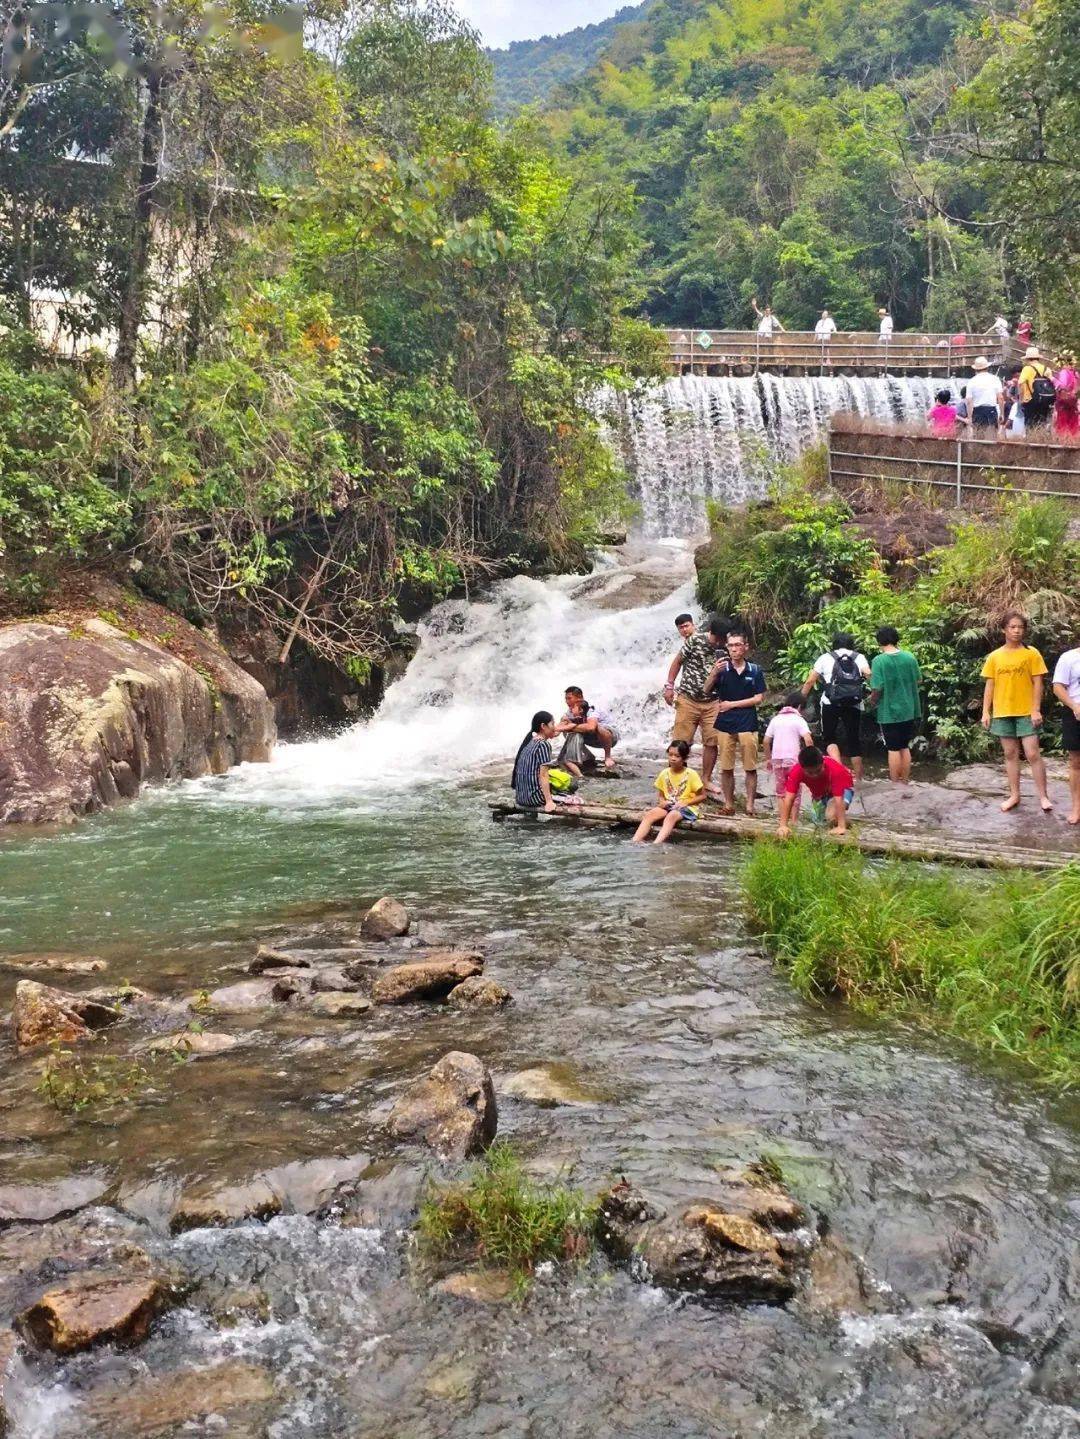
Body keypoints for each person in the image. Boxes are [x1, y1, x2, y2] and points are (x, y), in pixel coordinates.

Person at [980, 611, 1053, 814]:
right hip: (1003, 711)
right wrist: (986, 711)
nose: (1016, 630)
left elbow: (1038, 683)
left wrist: (1036, 709)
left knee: (1032, 753)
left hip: (1026, 712)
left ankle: (1043, 796)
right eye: (1012, 627)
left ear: (1024, 630)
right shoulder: (995, 657)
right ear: (1004, 629)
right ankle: (1014, 795)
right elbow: (990, 686)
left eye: (1020, 627)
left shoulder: (1031, 654)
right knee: (1010, 753)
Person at [664, 613, 730, 795]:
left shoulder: (726, 648)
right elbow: (677, 661)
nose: (720, 642)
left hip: (713, 702)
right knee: (681, 741)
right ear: (711, 632)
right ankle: (676, 779)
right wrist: (669, 686)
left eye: (724, 639)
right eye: (718, 638)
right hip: (688, 698)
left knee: (711, 742)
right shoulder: (695, 641)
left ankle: (706, 779)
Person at [707, 630, 766, 816]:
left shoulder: (754, 670)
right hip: (725, 722)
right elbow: (706, 689)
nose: (734, 649)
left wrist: (732, 704)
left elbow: (759, 698)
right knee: (726, 766)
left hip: (747, 721)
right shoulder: (722, 668)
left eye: (737, 645)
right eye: (730, 645)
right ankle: (728, 804)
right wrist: (713, 674)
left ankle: (749, 806)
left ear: (745, 647)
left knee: (750, 766)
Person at [802, 631, 871, 782]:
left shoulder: (825, 657)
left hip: (830, 703)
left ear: (834, 644)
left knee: (830, 738)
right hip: (854, 703)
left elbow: (810, 681)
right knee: (854, 740)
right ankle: (859, 780)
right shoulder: (858, 657)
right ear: (851, 644)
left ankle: (839, 775)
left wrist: (799, 701)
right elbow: (869, 674)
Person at [868, 627, 921, 784]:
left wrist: (872, 701)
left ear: (879, 641)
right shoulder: (910, 657)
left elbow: (877, 687)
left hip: (888, 711)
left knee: (893, 748)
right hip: (908, 709)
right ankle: (905, 781)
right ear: (896, 639)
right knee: (904, 746)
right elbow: (918, 680)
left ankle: (894, 783)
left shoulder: (879, 661)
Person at [632, 740, 704, 844]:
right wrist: (662, 802)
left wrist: (686, 802)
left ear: (685, 758)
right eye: (670, 755)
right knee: (650, 814)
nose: (673, 758)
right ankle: (635, 841)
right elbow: (661, 795)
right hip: (669, 805)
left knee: (672, 816)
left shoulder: (691, 774)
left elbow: (702, 796)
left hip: (687, 808)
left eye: (677, 756)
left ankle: (656, 843)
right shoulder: (664, 773)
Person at [776, 745, 854, 839]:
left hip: (844, 787)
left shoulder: (835, 770)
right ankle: (845, 821)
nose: (814, 775)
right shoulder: (797, 771)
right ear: (802, 767)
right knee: (818, 822)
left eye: (818, 771)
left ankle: (840, 820)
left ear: (823, 763)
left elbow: (839, 798)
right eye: (810, 773)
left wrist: (841, 826)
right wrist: (783, 825)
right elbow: (789, 798)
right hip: (821, 794)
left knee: (830, 815)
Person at [763, 691, 813, 818]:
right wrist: (810, 759)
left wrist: (768, 759)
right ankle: (794, 821)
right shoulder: (799, 720)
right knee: (795, 791)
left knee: (781, 792)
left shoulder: (776, 719)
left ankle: (783, 820)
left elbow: (766, 741)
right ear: (800, 707)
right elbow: (808, 739)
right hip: (793, 761)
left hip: (777, 760)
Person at [556, 686, 619, 770]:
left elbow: (591, 727)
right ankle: (588, 755)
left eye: (569, 698)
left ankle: (608, 757)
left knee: (596, 726)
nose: (567, 701)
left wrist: (570, 726)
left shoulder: (591, 708)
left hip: (610, 737)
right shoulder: (570, 711)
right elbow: (559, 727)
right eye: (566, 699)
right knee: (567, 730)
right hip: (592, 738)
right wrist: (546, 732)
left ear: (579, 698)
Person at [1051, 641, 1080, 825]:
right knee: (1076, 761)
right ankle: (1077, 807)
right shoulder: (1069, 657)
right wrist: (1074, 706)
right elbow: (1058, 687)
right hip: (1074, 713)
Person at [511, 712, 557, 812]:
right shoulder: (543, 744)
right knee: (570, 785)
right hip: (534, 799)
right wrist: (549, 801)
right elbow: (543, 774)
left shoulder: (530, 742)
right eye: (553, 724)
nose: (554, 727)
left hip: (521, 798)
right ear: (543, 726)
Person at [1018, 346, 1056, 432]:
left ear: (1027, 359)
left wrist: (1020, 400)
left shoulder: (1027, 369)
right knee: (1042, 422)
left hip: (1031, 400)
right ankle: (1042, 440)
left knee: (1030, 424)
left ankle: (1032, 441)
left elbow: (1020, 384)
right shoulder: (1047, 368)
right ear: (1038, 358)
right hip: (1046, 400)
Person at [967, 357, 1003, 434]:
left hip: (977, 411)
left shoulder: (971, 381)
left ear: (976, 369)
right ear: (987, 367)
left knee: (979, 436)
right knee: (992, 435)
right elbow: (1000, 397)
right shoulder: (995, 379)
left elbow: (969, 401)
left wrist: (970, 417)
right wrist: (1002, 413)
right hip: (991, 410)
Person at [1053, 352, 1079, 439]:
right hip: (1073, 402)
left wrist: (1053, 379)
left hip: (1064, 403)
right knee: (1073, 426)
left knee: (1063, 425)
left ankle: (1064, 442)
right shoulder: (1076, 374)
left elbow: (1062, 386)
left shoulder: (1064, 372)